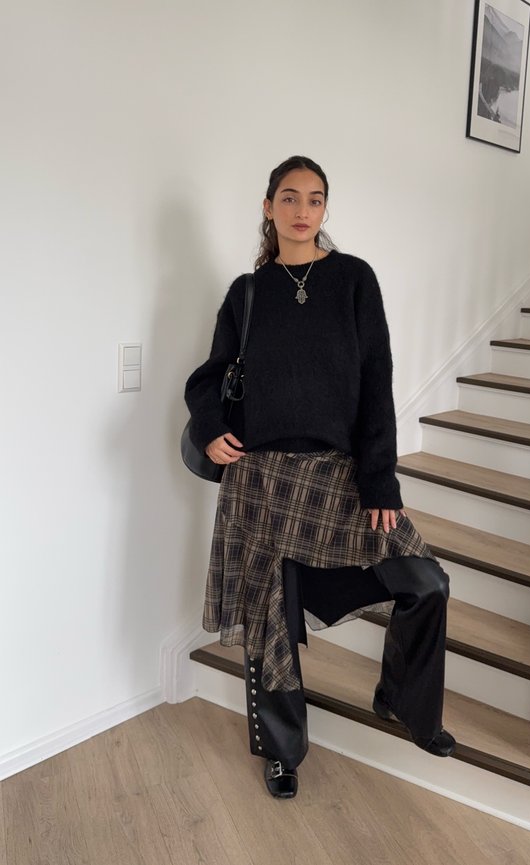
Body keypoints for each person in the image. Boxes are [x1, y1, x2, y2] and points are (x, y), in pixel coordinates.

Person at [184, 155, 455, 800]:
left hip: (335, 476)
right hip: (260, 479)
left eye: (314, 199)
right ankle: (281, 753)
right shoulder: (246, 294)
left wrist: (380, 479)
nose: (302, 210)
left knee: (425, 582)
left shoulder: (354, 280)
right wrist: (209, 427)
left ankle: (401, 697)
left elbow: (375, 384)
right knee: (270, 616)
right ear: (269, 206)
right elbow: (209, 377)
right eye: (289, 197)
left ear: (325, 210)